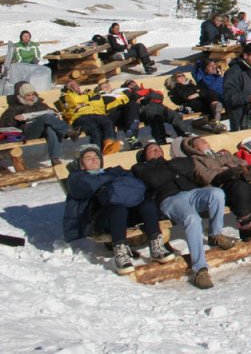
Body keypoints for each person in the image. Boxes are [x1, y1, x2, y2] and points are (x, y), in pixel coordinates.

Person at [131, 141, 236, 289]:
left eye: (158, 149)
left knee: (216, 193)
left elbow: (189, 164)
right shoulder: (141, 167)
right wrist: (174, 170)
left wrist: (168, 170)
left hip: (191, 193)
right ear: (144, 156)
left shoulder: (173, 162)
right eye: (151, 150)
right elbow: (154, 180)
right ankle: (200, 269)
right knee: (192, 218)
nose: (156, 151)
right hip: (169, 199)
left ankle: (215, 235)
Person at [63, 144, 175, 275]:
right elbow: (85, 187)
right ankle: (120, 253)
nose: (94, 160)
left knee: (147, 205)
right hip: (100, 219)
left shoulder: (112, 172)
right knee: (118, 210)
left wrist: (111, 177)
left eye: (96, 157)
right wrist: (112, 178)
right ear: (81, 164)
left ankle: (157, 246)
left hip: (127, 212)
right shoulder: (77, 177)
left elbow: (135, 184)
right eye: (88, 158)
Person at [176, 135, 251, 240]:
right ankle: (244, 226)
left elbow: (242, 162)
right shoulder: (195, 161)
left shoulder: (222, 154)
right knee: (240, 187)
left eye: (204, 139)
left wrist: (230, 167)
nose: (204, 141)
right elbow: (206, 176)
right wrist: (226, 170)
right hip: (220, 186)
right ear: (194, 148)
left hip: (241, 177)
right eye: (200, 141)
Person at [0, 81, 69, 165]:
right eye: (28, 95)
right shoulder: (14, 108)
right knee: (45, 117)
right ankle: (68, 131)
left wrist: (54, 113)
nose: (31, 97)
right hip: (28, 133)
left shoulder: (41, 105)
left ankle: (55, 159)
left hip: (43, 131)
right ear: (21, 96)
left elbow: (54, 113)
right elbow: (5, 125)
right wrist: (16, 119)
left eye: (33, 94)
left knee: (50, 128)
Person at [56, 81, 120, 154]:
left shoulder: (88, 91)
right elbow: (74, 101)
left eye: (76, 83)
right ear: (69, 88)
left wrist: (84, 103)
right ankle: (96, 152)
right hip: (79, 116)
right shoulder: (65, 95)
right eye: (72, 85)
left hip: (96, 113)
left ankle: (108, 145)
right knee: (93, 128)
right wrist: (90, 99)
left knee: (108, 123)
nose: (76, 85)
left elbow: (99, 100)